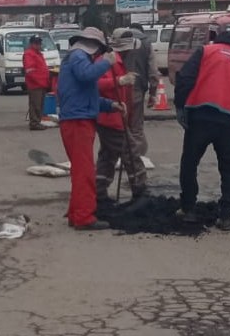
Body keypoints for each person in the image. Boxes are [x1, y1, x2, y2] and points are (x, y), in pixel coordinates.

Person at [173, 30, 230, 231]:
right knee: (229, 168)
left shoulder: (206, 51)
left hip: (201, 116)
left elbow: (185, 79)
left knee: (189, 162)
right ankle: (226, 216)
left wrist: (180, 106)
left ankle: (188, 209)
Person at [57, 27, 124, 231]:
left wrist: (110, 105)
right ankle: (84, 217)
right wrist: (107, 62)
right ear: (94, 46)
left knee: (80, 169)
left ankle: (77, 212)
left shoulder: (76, 58)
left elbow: (89, 93)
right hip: (77, 121)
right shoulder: (78, 57)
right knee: (85, 171)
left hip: (78, 119)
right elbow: (87, 76)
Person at [94, 29, 146, 203]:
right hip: (109, 118)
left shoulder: (119, 61)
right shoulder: (107, 61)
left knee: (108, 157)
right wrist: (119, 81)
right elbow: (96, 84)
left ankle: (99, 192)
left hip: (114, 117)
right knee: (131, 153)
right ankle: (140, 191)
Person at [122, 24, 159, 158]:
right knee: (136, 126)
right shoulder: (146, 43)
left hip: (119, 88)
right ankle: (136, 158)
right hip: (137, 88)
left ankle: (124, 155)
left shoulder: (119, 40)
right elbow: (153, 71)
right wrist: (153, 94)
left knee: (121, 124)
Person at [22, 35, 50, 131]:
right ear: (31, 44)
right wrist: (40, 81)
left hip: (41, 83)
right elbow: (30, 71)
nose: (38, 45)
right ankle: (34, 123)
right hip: (35, 84)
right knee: (35, 104)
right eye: (36, 43)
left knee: (40, 104)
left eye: (39, 43)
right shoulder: (29, 54)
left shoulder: (38, 54)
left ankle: (37, 121)